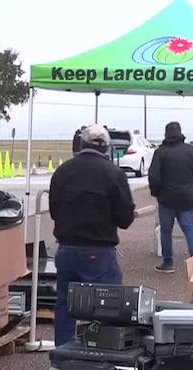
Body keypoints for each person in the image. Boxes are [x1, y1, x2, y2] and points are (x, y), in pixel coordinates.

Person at [48, 124, 135, 354]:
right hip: (99, 249)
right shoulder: (114, 173)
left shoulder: (62, 171)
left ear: (80, 145)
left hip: (66, 249)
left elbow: (54, 210)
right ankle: (101, 355)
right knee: (108, 305)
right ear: (107, 147)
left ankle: (63, 356)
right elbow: (125, 218)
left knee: (65, 304)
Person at [148, 121, 193, 273]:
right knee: (189, 228)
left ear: (166, 134)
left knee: (166, 230)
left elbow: (154, 176)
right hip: (186, 196)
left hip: (166, 197)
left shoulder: (161, 152)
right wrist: (192, 184)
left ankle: (168, 262)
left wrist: (156, 192)